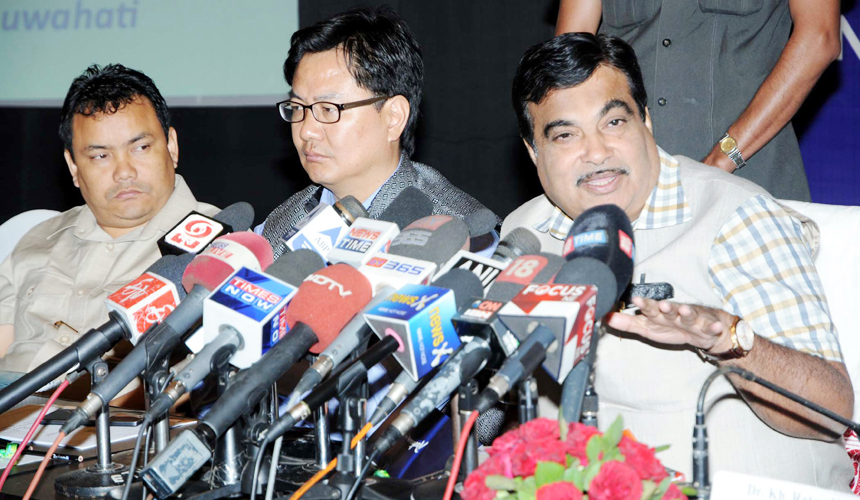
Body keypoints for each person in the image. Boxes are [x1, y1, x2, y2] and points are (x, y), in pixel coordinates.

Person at [502, 33, 853, 488]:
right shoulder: (524, 236)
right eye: (566, 135)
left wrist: (728, 340)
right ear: (533, 151)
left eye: (614, 122)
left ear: (646, 121)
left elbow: (830, 410)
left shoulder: (733, 216)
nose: (597, 152)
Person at [0, 64, 217, 373]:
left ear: (171, 146)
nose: (124, 172)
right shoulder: (39, 236)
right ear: (74, 166)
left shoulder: (221, 245)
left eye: (140, 147)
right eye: (101, 156)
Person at [260, 6, 498, 257]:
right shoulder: (280, 224)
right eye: (298, 107)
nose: (307, 131)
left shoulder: (461, 237)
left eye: (328, 109)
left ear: (394, 117)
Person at [555, 0, 841, 201]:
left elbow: (819, 38)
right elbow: (567, 61)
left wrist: (720, 161)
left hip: (748, 179)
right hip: (620, 183)